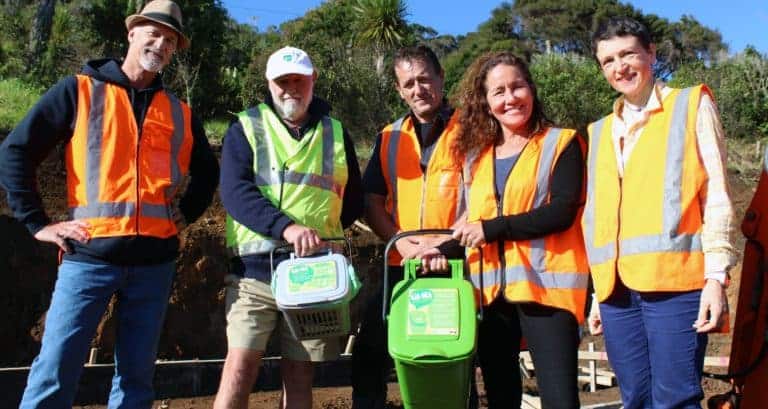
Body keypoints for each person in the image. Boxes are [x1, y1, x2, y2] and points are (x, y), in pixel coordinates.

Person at [0, 1, 219, 407]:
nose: (161, 43)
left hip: (155, 264)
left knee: (136, 380)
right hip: (89, 258)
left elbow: (207, 174)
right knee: (55, 369)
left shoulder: (180, 112)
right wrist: (37, 224)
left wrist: (184, 215)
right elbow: (15, 152)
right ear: (132, 33)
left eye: (170, 40)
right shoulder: (79, 91)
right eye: (153, 32)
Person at [584, 16, 736, 409]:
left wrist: (716, 279)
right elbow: (599, 217)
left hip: (676, 287)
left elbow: (716, 194)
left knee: (675, 398)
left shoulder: (691, 105)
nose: (620, 67)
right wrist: (598, 294)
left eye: (628, 54)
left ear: (651, 53)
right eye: (608, 61)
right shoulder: (599, 131)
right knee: (634, 398)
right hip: (617, 293)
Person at [424, 51, 589, 408]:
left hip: (548, 291)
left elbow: (561, 212)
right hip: (489, 296)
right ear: (485, 101)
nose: (510, 98)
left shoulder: (562, 143)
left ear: (531, 89)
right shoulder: (475, 156)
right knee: (500, 398)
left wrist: (491, 228)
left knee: (560, 400)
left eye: (517, 87)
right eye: (498, 91)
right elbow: (473, 228)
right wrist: (438, 252)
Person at [213, 45, 363, 409]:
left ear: (312, 81)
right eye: (282, 81)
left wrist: (324, 236)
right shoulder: (246, 127)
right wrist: (288, 228)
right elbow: (235, 193)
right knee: (239, 367)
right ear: (270, 83)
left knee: (300, 373)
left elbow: (352, 201)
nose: (290, 88)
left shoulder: (336, 132)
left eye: (298, 80)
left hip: (315, 274)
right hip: (256, 273)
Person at [351, 45, 467, 409]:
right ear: (400, 90)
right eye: (409, 83)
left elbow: (484, 196)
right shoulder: (389, 137)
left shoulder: (472, 129)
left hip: (458, 265)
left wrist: (442, 248)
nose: (418, 89)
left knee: (457, 352)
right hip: (402, 266)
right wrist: (402, 245)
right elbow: (372, 201)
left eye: (424, 79)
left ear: (441, 78)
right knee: (370, 344)